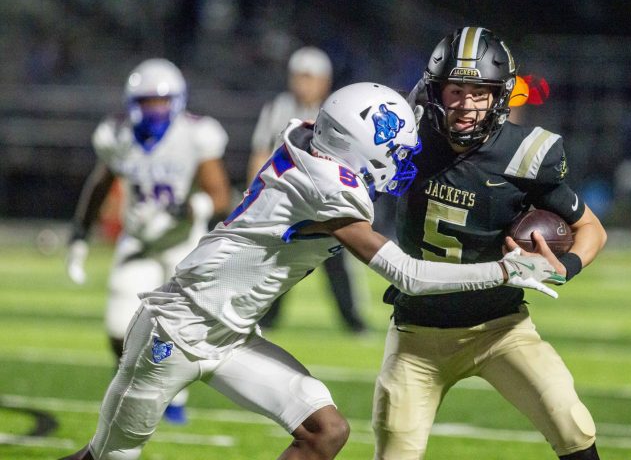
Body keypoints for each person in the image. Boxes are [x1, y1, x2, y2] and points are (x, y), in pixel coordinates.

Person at [60, 82, 564, 460]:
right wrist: (504, 271)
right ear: (359, 149)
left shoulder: (314, 145)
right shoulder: (326, 188)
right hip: (175, 329)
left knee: (326, 431)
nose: (403, 162)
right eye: (395, 152)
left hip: (231, 335)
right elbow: (409, 275)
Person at [372, 27, 608, 460]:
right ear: (434, 91)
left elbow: (592, 227)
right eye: (455, 90)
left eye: (479, 93)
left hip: (500, 329)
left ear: (499, 97)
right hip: (415, 336)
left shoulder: (523, 155)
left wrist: (565, 266)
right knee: (394, 453)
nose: (465, 105)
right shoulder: (405, 138)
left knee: (571, 423)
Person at [65, 58, 231, 424]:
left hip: (183, 244)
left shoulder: (195, 134)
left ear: (177, 101)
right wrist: (80, 233)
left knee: (177, 328)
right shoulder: (118, 136)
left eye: (160, 101)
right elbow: (101, 184)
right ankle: (130, 375)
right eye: (145, 101)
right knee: (116, 327)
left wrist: (191, 207)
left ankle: (173, 395)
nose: (153, 109)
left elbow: (220, 195)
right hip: (138, 240)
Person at [247, 45, 367, 333]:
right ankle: (267, 317)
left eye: (309, 77)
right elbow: (260, 152)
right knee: (276, 259)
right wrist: (254, 192)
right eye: (299, 76)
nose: (304, 83)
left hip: (326, 199)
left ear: (324, 81)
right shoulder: (279, 107)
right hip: (286, 198)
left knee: (336, 260)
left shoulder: (337, 111)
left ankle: (352, 319)